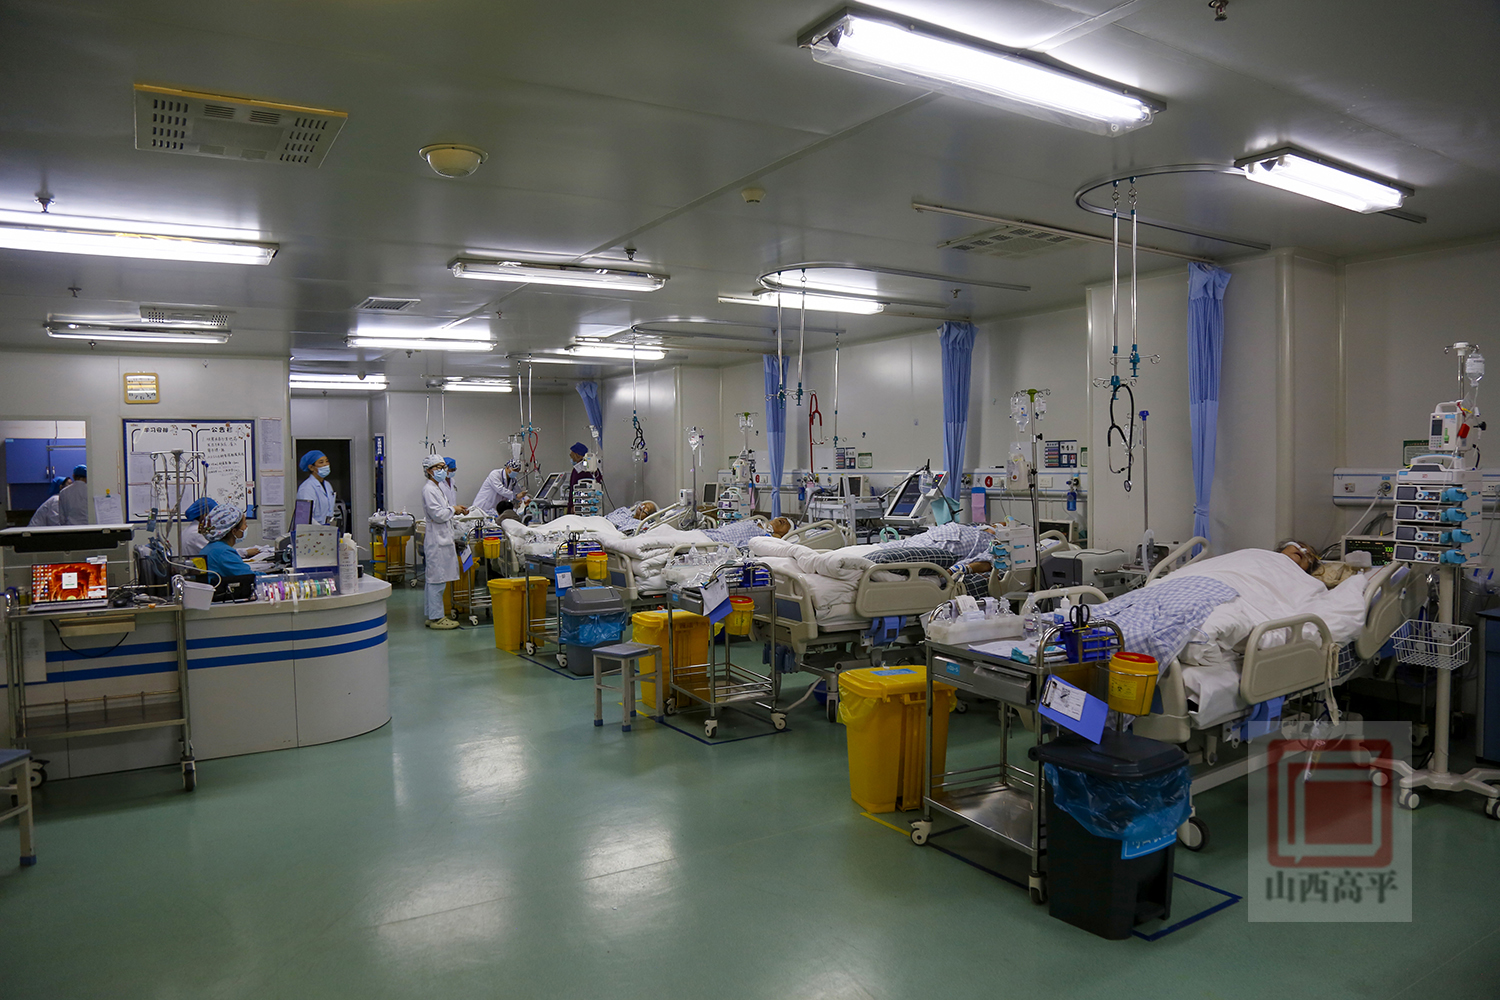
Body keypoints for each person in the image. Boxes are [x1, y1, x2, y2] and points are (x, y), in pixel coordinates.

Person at [421, 454, 467, 630]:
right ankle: (437, 618)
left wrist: (455, 510)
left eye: (443, 467)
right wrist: (453, 509)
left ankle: (432, 615)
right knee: (437, 581)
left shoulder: (436, 487)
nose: (442, 470)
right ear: (428, 470)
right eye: (438, 467)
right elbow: (438, 515)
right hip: (437, 540)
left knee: (435, 580)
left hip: (441, 538)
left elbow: (443, 511)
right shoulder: (429, 489)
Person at [181, 497, 260, 559]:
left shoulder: (192, 528)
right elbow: (220, 552)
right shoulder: (197, 532)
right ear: (204, 515)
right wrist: (245, 552)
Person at [200, 503, 256, 583]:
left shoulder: (213, 547)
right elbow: (249, 576)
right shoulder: (223, 552)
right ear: (234, 531)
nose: (246, 527)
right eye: (245, 524)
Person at [296, 450, 336, 525]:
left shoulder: (327, 485)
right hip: (313, 529)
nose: (326, 464)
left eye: (327, 461)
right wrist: (320, 528)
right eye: (321, 462)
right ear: (311, 467)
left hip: (327, 528)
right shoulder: (306, 487)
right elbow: (306, 516)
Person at [565, 442, 595, 514]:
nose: (571, 458)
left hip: (580, 505)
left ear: (577, 455)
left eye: (572, 456)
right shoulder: (585, 468)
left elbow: (574, 488)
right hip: (583, 503)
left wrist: (572, 505)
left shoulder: (580, 470)